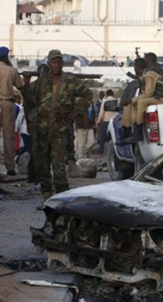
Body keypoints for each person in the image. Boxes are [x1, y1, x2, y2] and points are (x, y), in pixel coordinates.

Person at [20, 49, 93, 208]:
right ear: (49, 64)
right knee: (42, 164)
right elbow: (30, 102)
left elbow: (87, 95)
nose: (57, 65)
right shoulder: (41, 82)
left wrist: (77, 111)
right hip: (42, 129)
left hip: (60, 129)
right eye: (54, 61)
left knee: (59, 165)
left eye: (59, 61)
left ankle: (62, 199)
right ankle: (47, 197)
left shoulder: (70, 80)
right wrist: (25, 84)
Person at [125, 52, 163, 143]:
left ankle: (138, 133)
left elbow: (148, 93)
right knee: (136, 103)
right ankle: (135, 129)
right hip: (161, 97)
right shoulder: (152, 72)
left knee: (141, 102)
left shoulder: (149, 74)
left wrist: (132, 99)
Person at [0, 46, 25, 176]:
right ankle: (10, 166)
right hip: (7, 102)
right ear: (6, 57)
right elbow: (21, 86)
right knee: (9, 135)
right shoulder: (11, 70)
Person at [116, 58, 145, 145]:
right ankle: (128, 134)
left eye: (135, 67)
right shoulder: (142, 78)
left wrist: (132, 100)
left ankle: (131, 133)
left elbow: (147, 93)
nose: (135, 70)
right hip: (146, 100)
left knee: (131, 106)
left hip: (147, 100)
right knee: (129, 105)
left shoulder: (148, 76)